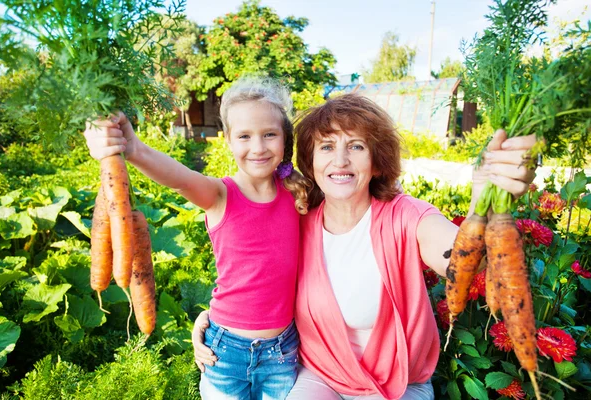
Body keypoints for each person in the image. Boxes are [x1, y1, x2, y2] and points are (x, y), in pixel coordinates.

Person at [193, 93, 537, 399]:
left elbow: (462, 260)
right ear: (311, 161)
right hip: (322, 376)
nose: (340, 160)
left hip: (397, 383)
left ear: (376, 160)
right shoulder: (301, 217)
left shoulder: (405, 216)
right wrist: (216, 322)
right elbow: (250, 264)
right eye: (327, 147)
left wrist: (482, 206)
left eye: (355, 146)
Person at [84, 77, 311, 399]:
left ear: (285, 139)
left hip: (283, 350)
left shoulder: (297, 194)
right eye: (245, 136)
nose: (258, 147)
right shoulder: (220, 194)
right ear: (229, 141)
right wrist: (132, 148)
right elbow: (179, 178)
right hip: (225, 351)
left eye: (269, 135)